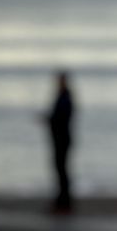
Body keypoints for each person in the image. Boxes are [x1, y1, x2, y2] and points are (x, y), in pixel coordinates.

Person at [42, 71, 75, 214]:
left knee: (62, 170)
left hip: (62, 139)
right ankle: (62, 201)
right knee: (60, 170)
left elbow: (61, 118)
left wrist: (49, 120)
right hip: (59, 138)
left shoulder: (65, 97)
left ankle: (64, 202)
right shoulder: (63, 96)